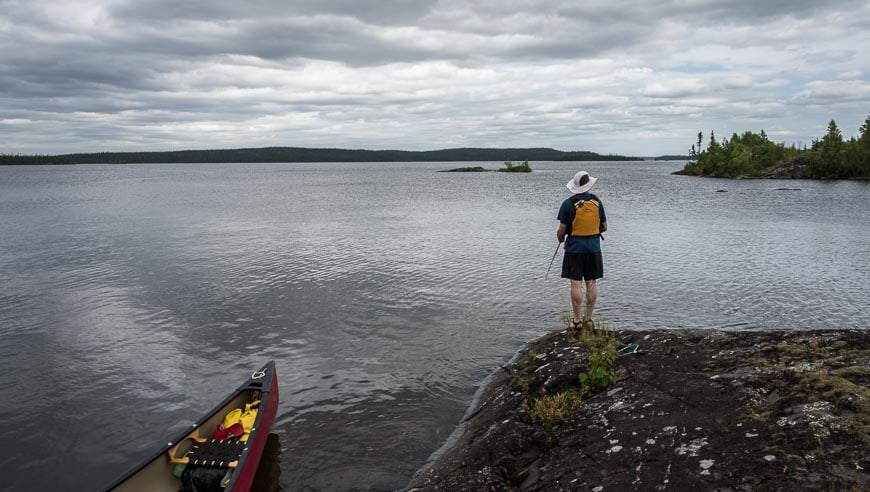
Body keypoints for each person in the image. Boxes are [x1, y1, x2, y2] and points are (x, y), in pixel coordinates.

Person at [556, 170, 607, 331]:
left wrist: (560, 238)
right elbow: (604, 227)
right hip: (594, 249)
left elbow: (561, 230)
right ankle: (589, 320)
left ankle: (577, 321)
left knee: (575, 283)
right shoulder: (597, 202)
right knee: (591, 283)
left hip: (574, 249)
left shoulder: (567, 204)